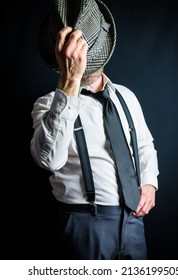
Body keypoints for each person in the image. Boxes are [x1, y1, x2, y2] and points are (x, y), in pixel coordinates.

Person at [30, 0, 159, 260]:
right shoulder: (47, 104)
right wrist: (69, 83)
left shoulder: (126, 96)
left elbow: (144, 145)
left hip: (133, 222)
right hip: (85, 224)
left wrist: (149, 182)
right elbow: (49, 160)